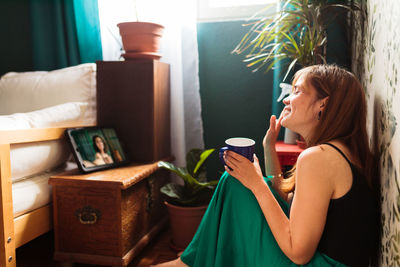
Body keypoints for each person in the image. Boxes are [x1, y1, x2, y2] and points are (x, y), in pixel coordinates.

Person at [153, 64, 378, 267]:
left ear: (323, 104)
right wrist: (268, 147)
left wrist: (257, 183)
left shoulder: (318, 157)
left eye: (298, 91)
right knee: (236, 181)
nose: (287, 99)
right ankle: (190, 262)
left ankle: (190, 263)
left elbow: (299, 253)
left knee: (241, 183)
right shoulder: (339, 151)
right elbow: (290, 204)